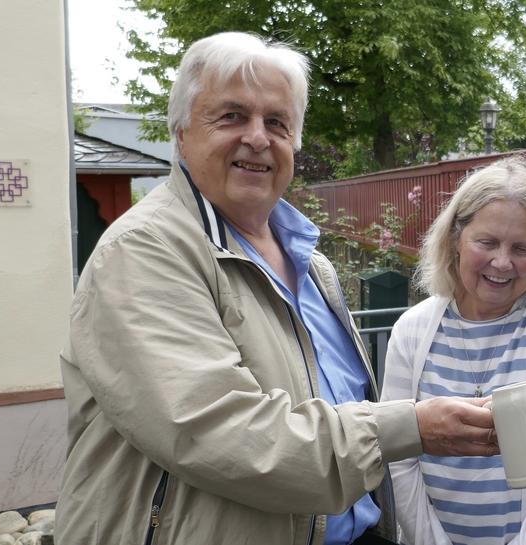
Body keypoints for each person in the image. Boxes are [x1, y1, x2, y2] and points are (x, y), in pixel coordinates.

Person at [57, 32, 498, 545]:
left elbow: (332, 404)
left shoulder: (312, 265)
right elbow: (219, 433)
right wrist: (412, 429)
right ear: (181, 131)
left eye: (277, 122)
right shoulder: (143, 252)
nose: (258, 138)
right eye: (231, 116)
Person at [380, 156, 526, 545]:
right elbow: (398, 454)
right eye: (486, 242)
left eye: (521, 248)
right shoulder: (413, 330)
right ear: (455, 238)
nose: (502, 262)